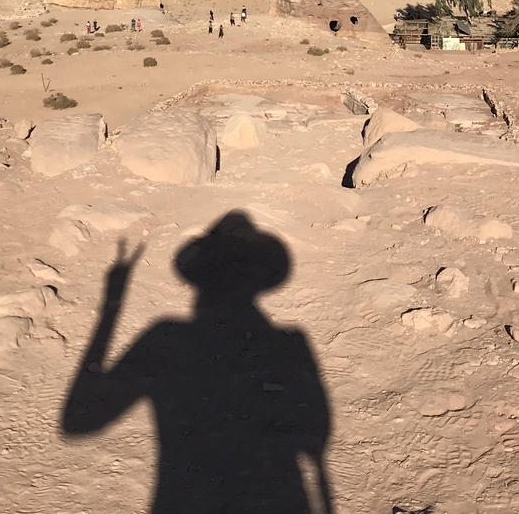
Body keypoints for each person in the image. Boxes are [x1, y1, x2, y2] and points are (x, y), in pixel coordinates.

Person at [61, 214, 333, 514]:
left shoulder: (166, 338)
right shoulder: (289, 344)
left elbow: (78, 420)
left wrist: (111, 308)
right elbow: (316, 433)